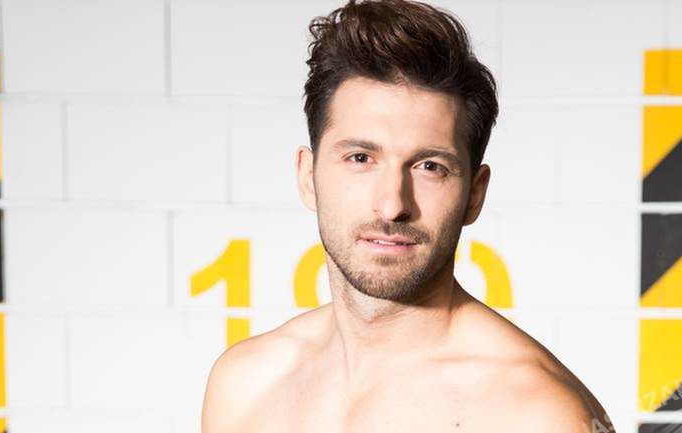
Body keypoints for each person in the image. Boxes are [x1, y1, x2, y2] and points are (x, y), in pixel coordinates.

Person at [201, 0, 616, 432]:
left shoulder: (535, 414)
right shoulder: (246, 386)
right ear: (308, 176)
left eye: (429, 166)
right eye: (360, 158)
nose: (392, 204)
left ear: (474, 195)